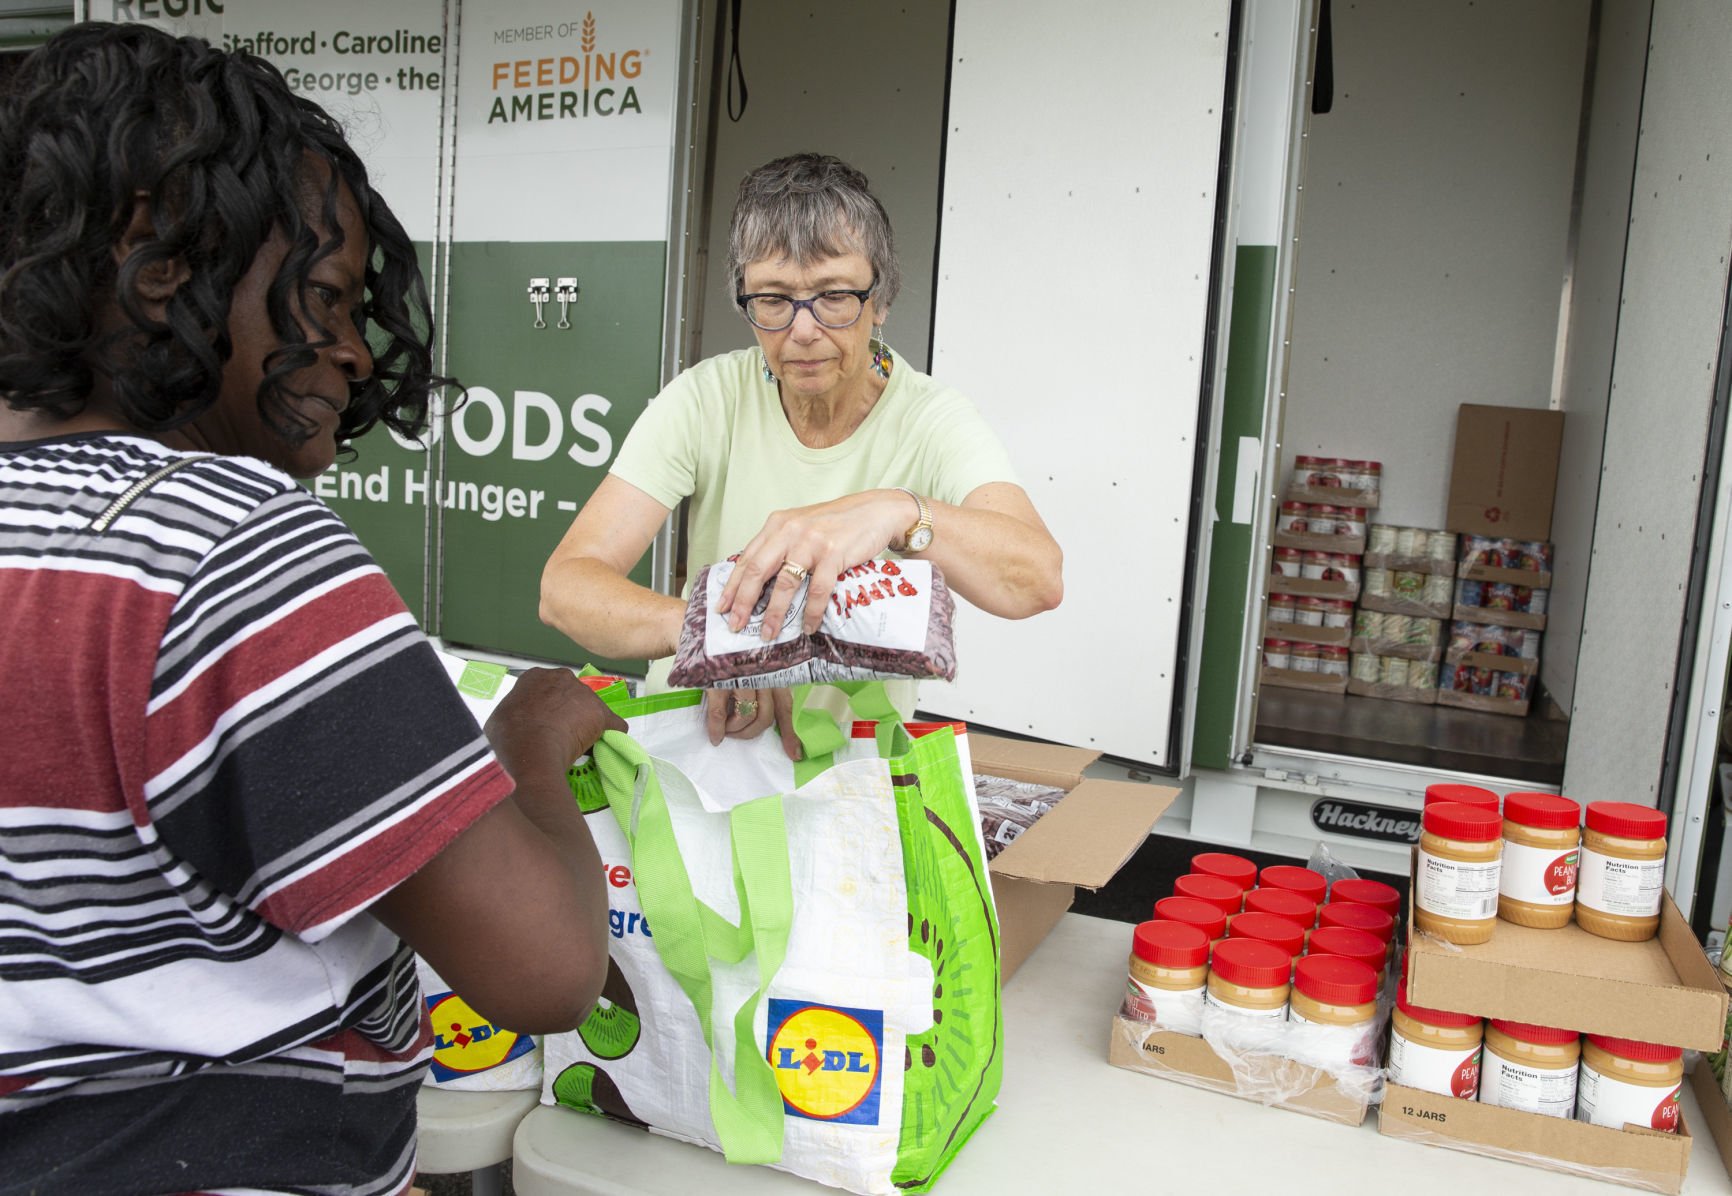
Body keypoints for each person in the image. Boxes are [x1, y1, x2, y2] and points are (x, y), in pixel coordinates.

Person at [0, 24, 619, 1195]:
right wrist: (526, 746)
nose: (345, 351)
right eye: (325, 297)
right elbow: (545, 968)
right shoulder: (229, 546)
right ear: (156, 254)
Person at [541, 153, 1063, 755]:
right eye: (773, 299)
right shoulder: (705, 399)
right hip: (697, 747)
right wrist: (718, 637)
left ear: (882, 298)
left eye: (835, 295)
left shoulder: (932, 419)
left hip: (851, 771)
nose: (804, 329)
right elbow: (566, 587)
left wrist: (896, 511)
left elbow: (1037, 580)